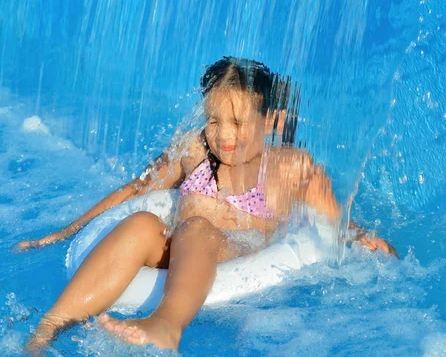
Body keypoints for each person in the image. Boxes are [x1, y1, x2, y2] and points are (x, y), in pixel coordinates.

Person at [17, 57, 396, 352]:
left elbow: (332, 221)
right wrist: (65, 232)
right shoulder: (192, 150)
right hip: (177, 251)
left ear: (270, 122)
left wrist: (361, 236)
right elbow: (135, 191)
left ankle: (165, 324)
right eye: (214, 120)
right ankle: (45, 331)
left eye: (238, 122)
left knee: (198, 229)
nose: (224, 135)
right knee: (142, 223)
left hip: (232, 255)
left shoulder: (289, 167)